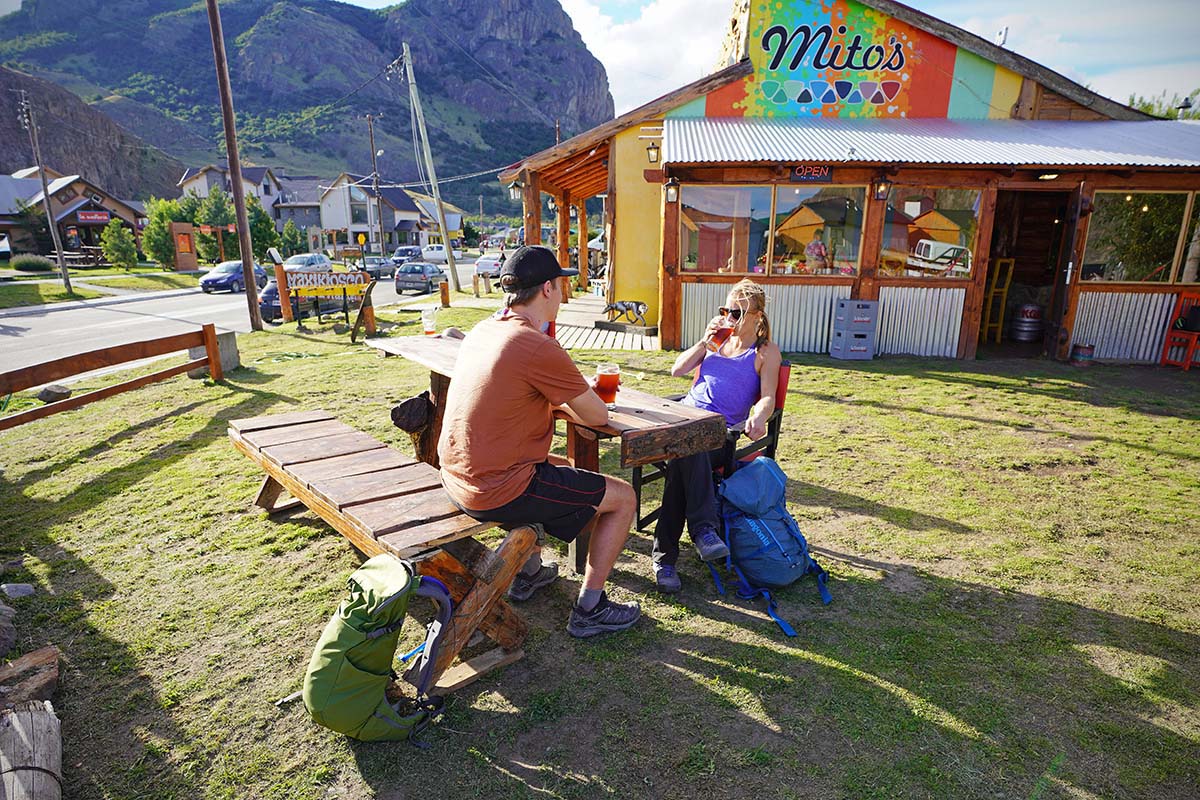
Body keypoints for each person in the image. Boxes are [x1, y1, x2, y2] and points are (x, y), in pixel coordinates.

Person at [437, 245, 641, 638]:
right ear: (547, 289)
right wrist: (577, 394)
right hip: (494, 489)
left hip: (456, 478)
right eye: (562, 286)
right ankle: (591, 607)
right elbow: (597, 416)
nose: (563, 295)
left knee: (561, 469)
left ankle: (528, 571)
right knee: (623, 498)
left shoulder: (484, 329)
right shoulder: (535, 344)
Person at [651, 278, 782, 593]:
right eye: (726, 310)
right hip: (684, 420)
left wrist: (758, 416)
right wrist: (703, 342)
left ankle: (665, 559)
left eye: (737, 313)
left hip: (720, 436)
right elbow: (677, 370)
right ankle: (703, 532)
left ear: (757, 316)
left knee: (686, 453)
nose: (729, 318)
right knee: (687, 448)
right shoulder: (717, 341)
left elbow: (768, 397)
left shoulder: (765, 352)